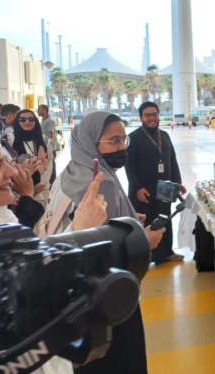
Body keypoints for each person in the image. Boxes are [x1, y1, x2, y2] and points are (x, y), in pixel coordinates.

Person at [0, 117, 107, 374]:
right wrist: (79, 232)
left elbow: (36, 265)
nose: (12, 172)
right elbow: (29, 299)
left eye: (6, 161)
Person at [61, 111, 164, 374]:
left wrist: (128, 220)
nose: (121, 148)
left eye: (124, 140)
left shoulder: (74, 170)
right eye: (114, 141)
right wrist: (144, 240)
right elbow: (99, 253)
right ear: (92, 142)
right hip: (109, 298)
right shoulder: (100, 182)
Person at [126, 102, 185, 264]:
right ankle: (145, 256)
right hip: (144, 190)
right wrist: (137, 187)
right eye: (147, 115)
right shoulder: (133, 138)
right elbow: (129, 166)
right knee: (146, 221)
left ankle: (166, 253)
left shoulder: (164, 136)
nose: (152, 118)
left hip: (165, 188)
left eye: (154, 114)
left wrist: (177, 182)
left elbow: (172, 160)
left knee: (165, 217)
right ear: (141, 118)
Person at [12, 110, 51, 203]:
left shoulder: (44, 140)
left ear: (36, 121)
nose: (27, 122)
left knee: (41, 216)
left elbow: (49, 165)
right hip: (19, 192)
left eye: (31, 119)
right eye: (22, 119)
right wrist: (28, 188)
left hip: (41, 190)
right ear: (17, 122)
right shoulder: (10, 139)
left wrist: (40, 185)